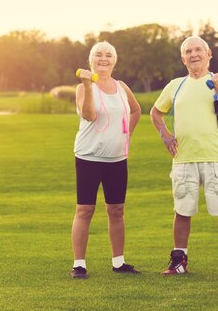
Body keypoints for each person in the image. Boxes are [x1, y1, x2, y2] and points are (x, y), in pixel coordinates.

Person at [150, 36, 218, 277]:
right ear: (183, 58)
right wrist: (167, 137)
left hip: (217, 156)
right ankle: (179, 262)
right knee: (182, 210)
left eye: (198, 50)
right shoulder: (175, 85)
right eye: (188, 51)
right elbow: (155, 112)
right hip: (184, 158)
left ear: (208, 53)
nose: (194, 54)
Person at [71, 41, 142, 279]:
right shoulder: (83, 88)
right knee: (85, 210)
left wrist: (126, 134)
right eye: (99, 55)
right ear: (91, 60)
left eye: (109, 55)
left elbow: (135, 110)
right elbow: (90, 115)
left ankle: (119, 262)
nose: (104, 59)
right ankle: (79, 265)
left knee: (117, 210)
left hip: (116, 159)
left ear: (114, 60)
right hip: (88, 157)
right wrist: (88, 84)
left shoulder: (121, 87)